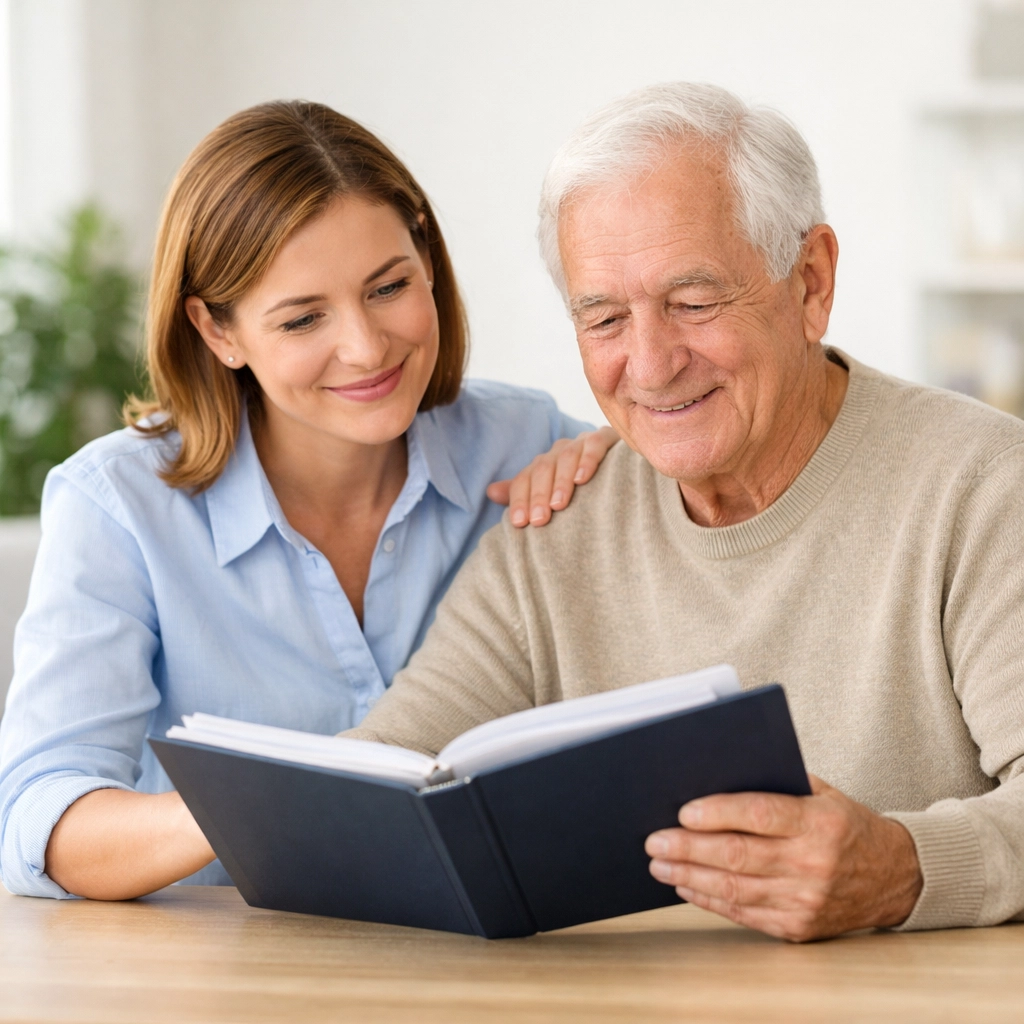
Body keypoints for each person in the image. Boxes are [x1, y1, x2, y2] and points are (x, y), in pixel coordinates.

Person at [348, 82, 1024, 941]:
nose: (652, 364)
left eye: (694, 303)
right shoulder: (556, 529)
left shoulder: (986, 487)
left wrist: (903, 868)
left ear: (810, 284)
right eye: (603, 319)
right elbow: (386, 775)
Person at [0, 101, 617, 901]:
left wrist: (626, 455)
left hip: (484, 958)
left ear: (426, 257)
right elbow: (41, 817)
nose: (365, 348)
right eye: (302, 319)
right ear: (218, 332)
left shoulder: (523, 441)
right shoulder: (118, 506)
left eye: (389, 286)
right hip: (228, 974)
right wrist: (275, 801)